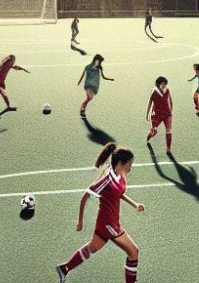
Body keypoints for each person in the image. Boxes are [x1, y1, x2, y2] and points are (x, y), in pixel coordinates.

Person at [57, 143, 145, 283]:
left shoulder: (120, 175)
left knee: (92, 247)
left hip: (108, 221)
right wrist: (80, 221)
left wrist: (135, 204)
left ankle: (64, 269)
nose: (131, 167)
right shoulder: (106, 179)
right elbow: (85, 196)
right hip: (109, 224)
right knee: (134, 252)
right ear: (121, 163)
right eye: (129, 164)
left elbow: (118, 194)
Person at [78, 54, 114, 119]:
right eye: (99, 61)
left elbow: (103, 77)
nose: (99, 63)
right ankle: (82, 108)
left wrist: (110, 79)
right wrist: (79, 81)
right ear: (95, 60)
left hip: (95, 86)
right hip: (88, 84)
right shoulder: (88, 67)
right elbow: (83, 75)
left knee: (89, 98)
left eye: (100, 62)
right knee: (90, 97)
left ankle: (82, 108)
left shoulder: (100, 68)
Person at [145, 76, 174, 153]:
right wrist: (147, 114)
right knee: (154, 131)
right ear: (158, 84)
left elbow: (170, 100)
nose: (165, 86)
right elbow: (149, 103)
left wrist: (171, 110)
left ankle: (168, 148)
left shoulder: (167, 90)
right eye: (163, 84)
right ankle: (150, 134)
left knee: (169, 130)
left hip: (167, 114)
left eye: (165, 84)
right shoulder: (154, 92)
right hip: (157, 114)